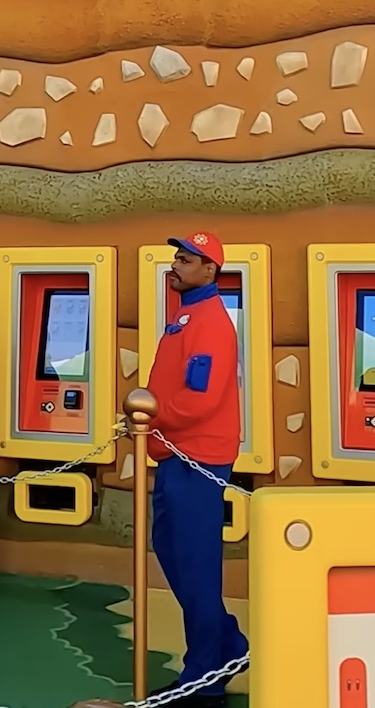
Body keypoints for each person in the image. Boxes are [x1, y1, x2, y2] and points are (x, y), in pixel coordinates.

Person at [144, 232, 249, 708]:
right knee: (171, 551)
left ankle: (203, 679)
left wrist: (152, 415)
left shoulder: (210, 322)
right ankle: (228, 646)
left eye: (187, 260)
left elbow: (199, 398)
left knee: (197, 566)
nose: (177, 264)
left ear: (210, 270)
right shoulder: (186, 315)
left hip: (197, 458)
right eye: (177, 258)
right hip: (175, 454)